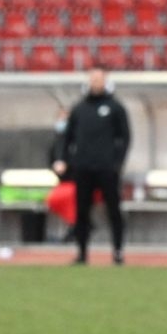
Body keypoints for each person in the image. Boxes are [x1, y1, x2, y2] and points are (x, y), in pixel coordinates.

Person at [55, 67, 130, 264]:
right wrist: (63, 159)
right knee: (81, 210)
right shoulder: (79, 109)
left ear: (105, 81)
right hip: (83, 167)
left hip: (107, 169)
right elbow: (67, 137)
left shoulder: (115, 107)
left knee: (113, 209)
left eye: (99, 79)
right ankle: (82, 252)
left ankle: (118, 251)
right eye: (93, 79)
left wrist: (117, 163)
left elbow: (125, 137)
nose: (96, 82)